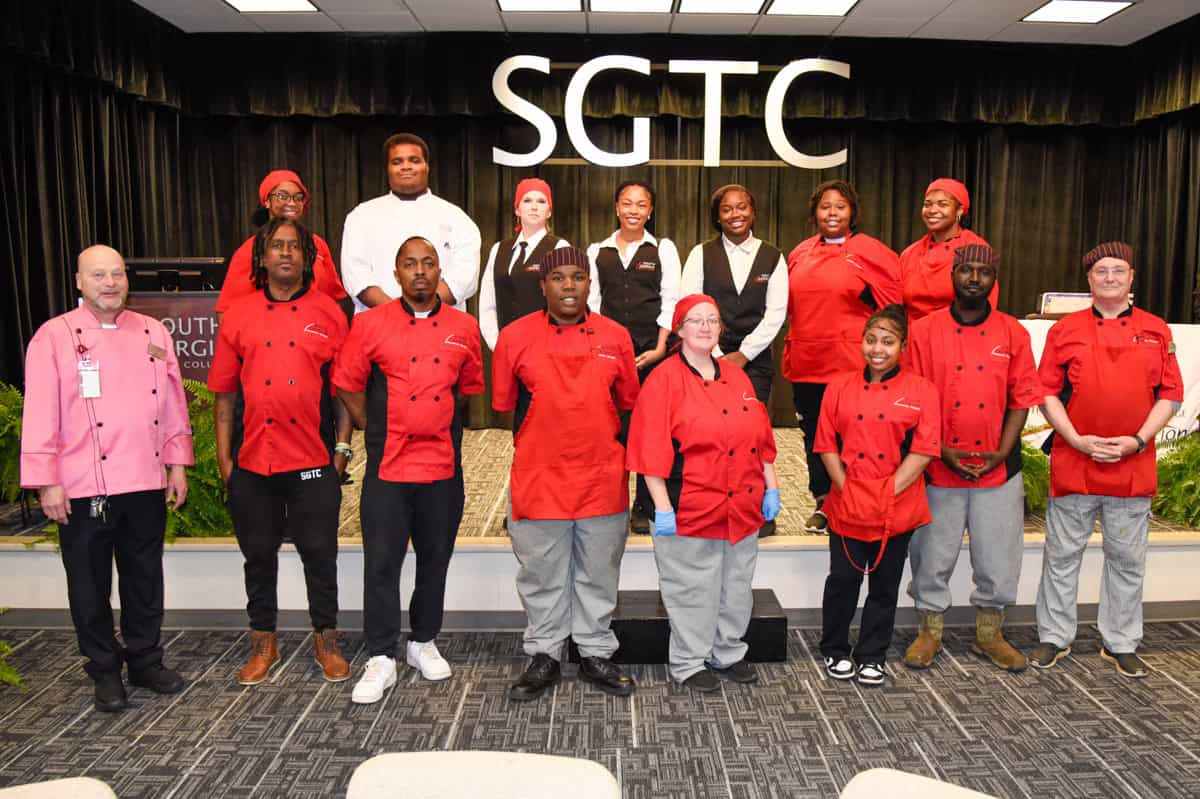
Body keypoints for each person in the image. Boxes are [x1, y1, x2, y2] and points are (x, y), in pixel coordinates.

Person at [20, 245, 194, 712]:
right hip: (80, 485)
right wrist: (46, 480)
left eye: (117, 274)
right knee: (89, 585)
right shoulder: (52, 337)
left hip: (143, 479)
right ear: (79, 281)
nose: (110, 283)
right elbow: (39, 411)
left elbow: (172, 403)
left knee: (144, 578)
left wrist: (176, 463)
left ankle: (144, 659)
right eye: (99, 275)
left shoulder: (153, 331)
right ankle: (103, 669)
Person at [334, 236, 484, 703]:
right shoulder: (371, 324)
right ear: (395, 274)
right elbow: (347, 384)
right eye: (409, 264)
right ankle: (380, 655)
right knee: (381, 563)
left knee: (435, 560)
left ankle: (422, 641)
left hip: (442, 465)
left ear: (441, 272)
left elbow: (467, 388)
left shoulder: (464, 326)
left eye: (429, 263)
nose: (420, 271)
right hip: (389, 466)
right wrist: (374, 427)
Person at [208, 218, 352, 687]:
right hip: (253, 463)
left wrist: (341, 453)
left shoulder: (329, 313)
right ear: (263, 257)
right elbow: (225, 396)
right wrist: (226, 461)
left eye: (294, 246)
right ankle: (262, 639)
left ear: (307, 258)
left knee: (320, 553)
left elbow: (342, 392)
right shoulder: (239, 314)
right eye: (277, 246)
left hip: (313, 462)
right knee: (258, 556)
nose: (286, 253)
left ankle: (326, 638)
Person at [493, 247, 640, 701]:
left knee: (599, 570)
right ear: (543, 286)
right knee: (542, 573)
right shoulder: (515, 337)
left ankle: (595, 651)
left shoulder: (616, 336)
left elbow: (629, 401)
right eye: (560, 278)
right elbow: (503, 404)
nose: (570, 285)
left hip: (601, 473)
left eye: (578, 277)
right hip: (540, 473)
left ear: (590, 284)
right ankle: (545, 654)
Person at [1031, 242, 1182, 679]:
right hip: (1075, 460)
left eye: (1118, 270)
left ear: (1132, 276)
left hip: (1131, 464)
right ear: (1089, 279)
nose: (1110, 277)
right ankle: (1054, 637)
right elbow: (1045, 392)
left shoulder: (1156, 329)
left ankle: (1120, 641)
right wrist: (1075, 439)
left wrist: (1137, 440)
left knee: (1127, 560)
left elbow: (1170, 395)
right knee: (1061, 556)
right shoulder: (1065, 330)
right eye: (1101, 271)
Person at [627, 294, 780, 692]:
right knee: (692, 592)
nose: (706, 327)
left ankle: (727, 652)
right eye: (695, 320)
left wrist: (772, 488)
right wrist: (661, 508)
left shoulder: (737, 376)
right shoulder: (663, 380)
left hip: (742, 506)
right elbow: (648, 452)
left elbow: (762, 440)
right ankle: (689, 661)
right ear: (678, 329)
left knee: (735, 589)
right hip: (690, 508)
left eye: (712, 320)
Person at [902, 245, 1043, 672]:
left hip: (998, 466)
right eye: (966, 270)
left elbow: (1021, 398)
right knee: (931, 553)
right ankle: (928, 631)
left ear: (993, 280)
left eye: (983, 272)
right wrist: (941, 451)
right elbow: (914, 398)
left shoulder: (1012, 332)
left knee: (999, 555)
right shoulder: (924, 331)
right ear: (954, 275)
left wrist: (1002, 451)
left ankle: (990, 635)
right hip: (938, 463)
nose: (974, 278)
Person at [813, 304, 940, 686]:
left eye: (887, 341)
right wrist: (845, 487)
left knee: (884, 584)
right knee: (843, 580)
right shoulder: (839, 386)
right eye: (871, 340)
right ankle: (835, 649)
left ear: (903, 345)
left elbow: (923, 450)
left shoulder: (922, 390)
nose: (877, 349)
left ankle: (872, 654)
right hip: (848, 496)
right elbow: (826, 444)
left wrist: (887, 492)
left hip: (897, 500)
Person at [785, 180, 902, 535]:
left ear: (852, 211)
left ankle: (857, 501)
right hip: (808, 363)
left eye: (840, 206)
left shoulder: (872, 252)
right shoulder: (799, 253)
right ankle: (823, 502)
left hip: (851, 364)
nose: (832, 213)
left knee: (853, 437)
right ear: (814, 212)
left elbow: (893, 310)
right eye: (825, 207)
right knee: (814, 437)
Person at [681, 185, 786, 536]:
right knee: (709, 435)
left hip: (754, 361)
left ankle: (757, 508)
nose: (735, 214)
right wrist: (717, 355)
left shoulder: (772, 256)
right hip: (704, 355)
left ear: (753, 211)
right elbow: (691, 305)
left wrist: (744, 355)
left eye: (742, 207)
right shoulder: (700, 254)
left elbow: (776, 314)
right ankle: (711, 507)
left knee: (751, 436)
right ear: (717, 216)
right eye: (727, 209)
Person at [585, 180, 682, 535]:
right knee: (608, 433)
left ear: (650, 211)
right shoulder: (598, 250)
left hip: (650, 355)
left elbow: (670, 301)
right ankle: (608, 503)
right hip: (606, 358)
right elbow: (591, 304)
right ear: (616, 207)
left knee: (648, 433)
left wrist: (658, 348)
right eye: (627, 203)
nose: (633, 210)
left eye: (641, 205)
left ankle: (643, 504)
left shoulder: (664, 250)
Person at [340, 132, 481, 313]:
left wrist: (422, 311)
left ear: (427, 166)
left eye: (414, 160)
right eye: (397, 162)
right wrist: (398, 314)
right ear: (387, 168)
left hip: (441, 326)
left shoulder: (456, 217)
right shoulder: (361, 216)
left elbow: (464, 277)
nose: (406, 167)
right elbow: (356, 276)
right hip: (379, 324)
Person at [214, 169, 347, 322]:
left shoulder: (318, 245)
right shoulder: (250, 249)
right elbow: (227, 313)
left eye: (298, 197)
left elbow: (333, 301)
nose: (292, 203)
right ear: (267, 201)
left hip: (314, 336)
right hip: (269, 336)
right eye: (282, 196)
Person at [478, 178, 571, 352]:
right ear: (517, 209)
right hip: (505, 351)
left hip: (545, 352)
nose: (534, 207)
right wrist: (498, 345)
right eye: (527, 200)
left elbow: (566, 305)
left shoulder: (560, 247)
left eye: (541, 201)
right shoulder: (498, 249)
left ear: (549, 212)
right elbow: (487, 305)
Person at [899, 179, 995, 322]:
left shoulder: (976, 249)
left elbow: (985, 308)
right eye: (927, 204)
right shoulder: (909, 254)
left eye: (942, 204)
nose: (932, 210)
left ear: (959, 210)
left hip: (959, 335)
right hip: (914, 337)